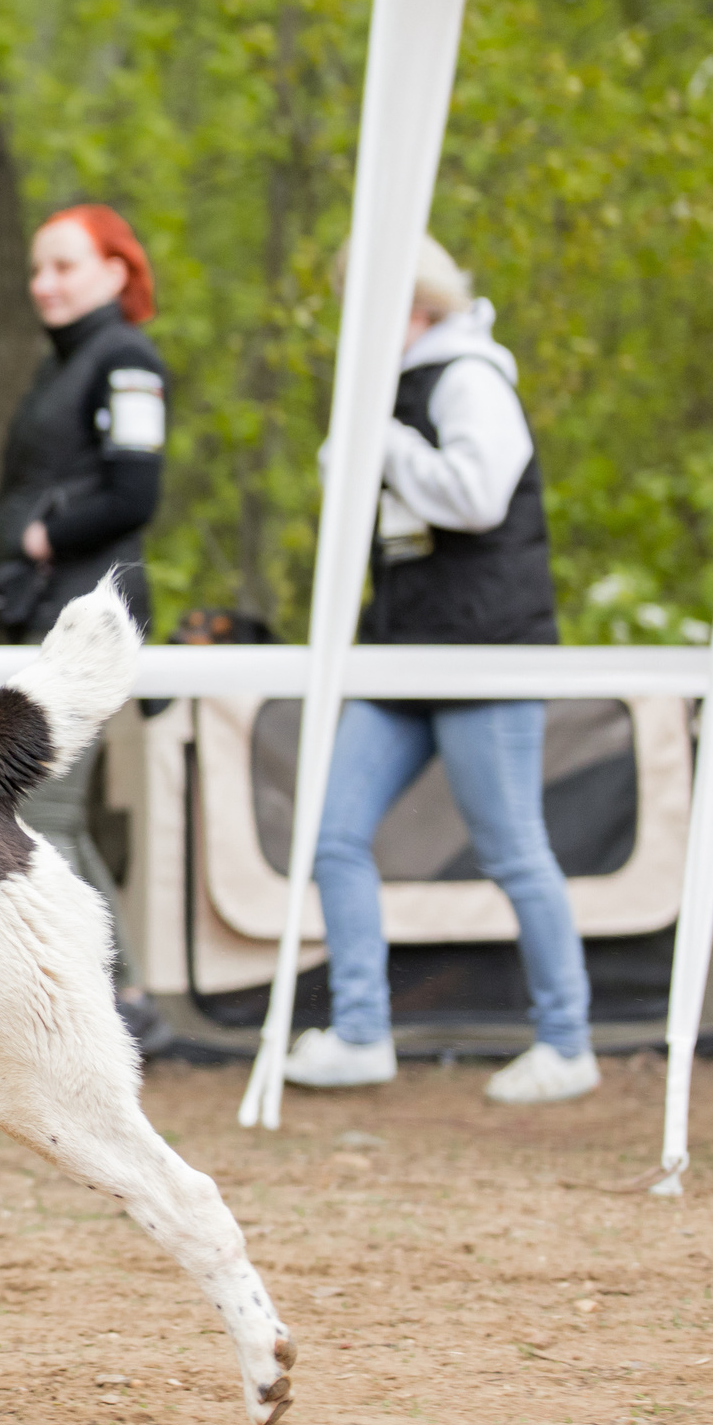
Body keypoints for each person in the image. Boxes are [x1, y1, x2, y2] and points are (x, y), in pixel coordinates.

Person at [287, 236, 596, 1104]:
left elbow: (478, 494)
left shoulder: (469, 377)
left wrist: (378, 441)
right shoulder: (388, 389)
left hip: (484, 651)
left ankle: (568, 1043)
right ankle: (358, 1032)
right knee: (333, 833)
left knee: (512, 852)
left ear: (407, 302)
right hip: (401, 652)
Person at [0, 205, 169, 993]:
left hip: (86, 618)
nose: (43, 284)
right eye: (38, 268)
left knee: (43, 818)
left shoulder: (128, 358)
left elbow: (137, 493)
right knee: (52, 817)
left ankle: (91, 1000)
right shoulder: (61, 363)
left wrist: (41, 539)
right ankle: (124, 995)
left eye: (64, 266)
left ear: (116, 273)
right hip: (40, 614)